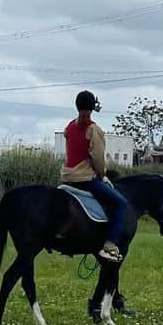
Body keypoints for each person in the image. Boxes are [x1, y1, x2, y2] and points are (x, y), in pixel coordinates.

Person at [60, 90, 129, 263]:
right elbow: (98, 159)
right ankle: (110, 245)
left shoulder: (69, 126)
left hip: (67, 178)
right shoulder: (93, 129)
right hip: (85, 179)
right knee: (121, 204)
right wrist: (102, 174)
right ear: (92, 108)